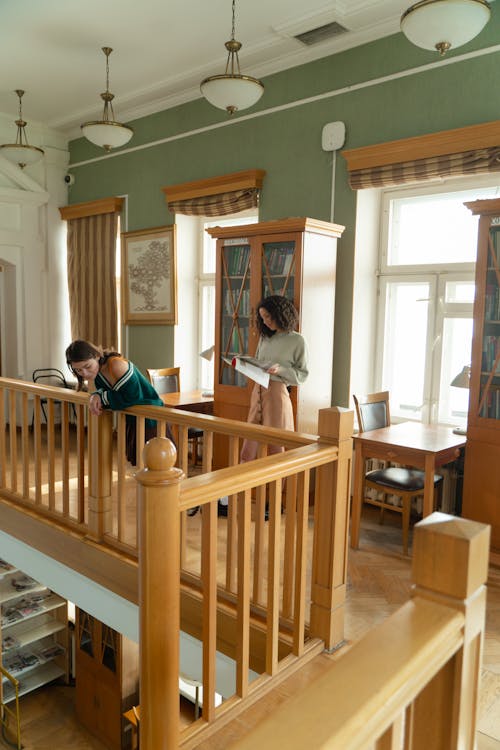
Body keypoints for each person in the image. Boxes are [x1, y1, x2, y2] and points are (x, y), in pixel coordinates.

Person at [65, 339, 171, 466]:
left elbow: (131, 397)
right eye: (78, 370)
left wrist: (101, 397)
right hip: (134, 419)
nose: (84, 373)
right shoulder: (98, 373)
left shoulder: (116, 365)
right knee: (142, 465)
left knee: (160, 464)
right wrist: (97, 395)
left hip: (152, 418)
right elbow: (107, 394)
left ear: (97, 356)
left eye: (87, 367)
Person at [239, 295, 309, 463]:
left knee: (276, 453)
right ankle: (242, 490)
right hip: (258, 392)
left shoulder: (297, 340)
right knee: (246, 453)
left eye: (268, 317)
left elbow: (302, 375)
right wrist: (246, 365)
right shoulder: (265, 338)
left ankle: (277, 490)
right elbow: (258, 363)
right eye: (262, 318)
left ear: (281, 314)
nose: (265, 322)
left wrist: (280, 369)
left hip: (277, 395)